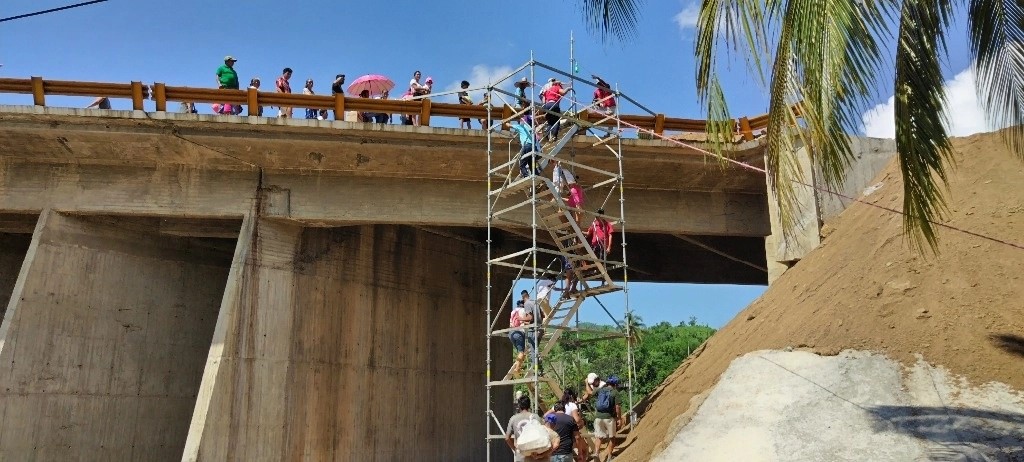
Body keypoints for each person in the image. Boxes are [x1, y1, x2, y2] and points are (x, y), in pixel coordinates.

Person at [506, 396, 558, 462]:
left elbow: (507, 438)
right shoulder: (535, 417)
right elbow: (543, 433)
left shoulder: (513, 418)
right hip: (535, 455)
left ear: (519, 405)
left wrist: (516, 449)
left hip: (521, 455)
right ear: (529, 405)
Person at [593, 375, 624, 462]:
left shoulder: (600, 390)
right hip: (609, 418)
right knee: (612, 437)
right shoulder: (615, 392)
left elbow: (591, 394)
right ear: (615, 384)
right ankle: (610, 457)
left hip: (598, 417)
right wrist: (619, 418)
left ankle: (596, 453)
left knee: (599, 437)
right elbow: (617, 407)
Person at [509, 299, 535, 376]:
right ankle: (517, 369)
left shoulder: (513, 311)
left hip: (511, 333)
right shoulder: (523, 310)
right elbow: (528, 320)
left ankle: (519, 367)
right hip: (519, 333)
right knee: (521, 352)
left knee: (522, 352)